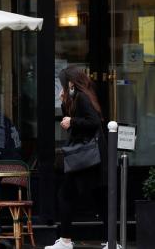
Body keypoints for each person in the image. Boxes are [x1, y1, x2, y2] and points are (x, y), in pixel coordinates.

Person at [46, 66, 105, 249]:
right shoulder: (78, 97)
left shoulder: (82, 97)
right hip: (87, 156)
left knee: (67, 195)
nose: (62, 87)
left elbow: (94, 121)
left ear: (71, 82)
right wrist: (65, 104)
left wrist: (71, 121)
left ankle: (65, 241)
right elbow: (80, 123)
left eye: (64, 83)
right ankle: (111, 241)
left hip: (87, 156)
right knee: (96, 197)